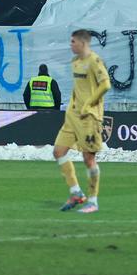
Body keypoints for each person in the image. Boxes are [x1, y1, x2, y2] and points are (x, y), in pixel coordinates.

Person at [54, 29, 111, 214]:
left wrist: (89, 103)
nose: (70, 45)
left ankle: (93, 201)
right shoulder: (75, 62)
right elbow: (78, 88)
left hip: (89, 117)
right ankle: (76, 192)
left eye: (73, 42)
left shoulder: (94, 61)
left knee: (88, 158)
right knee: (59, 151)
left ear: (83, 43)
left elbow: (106, 84)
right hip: (72, 116)